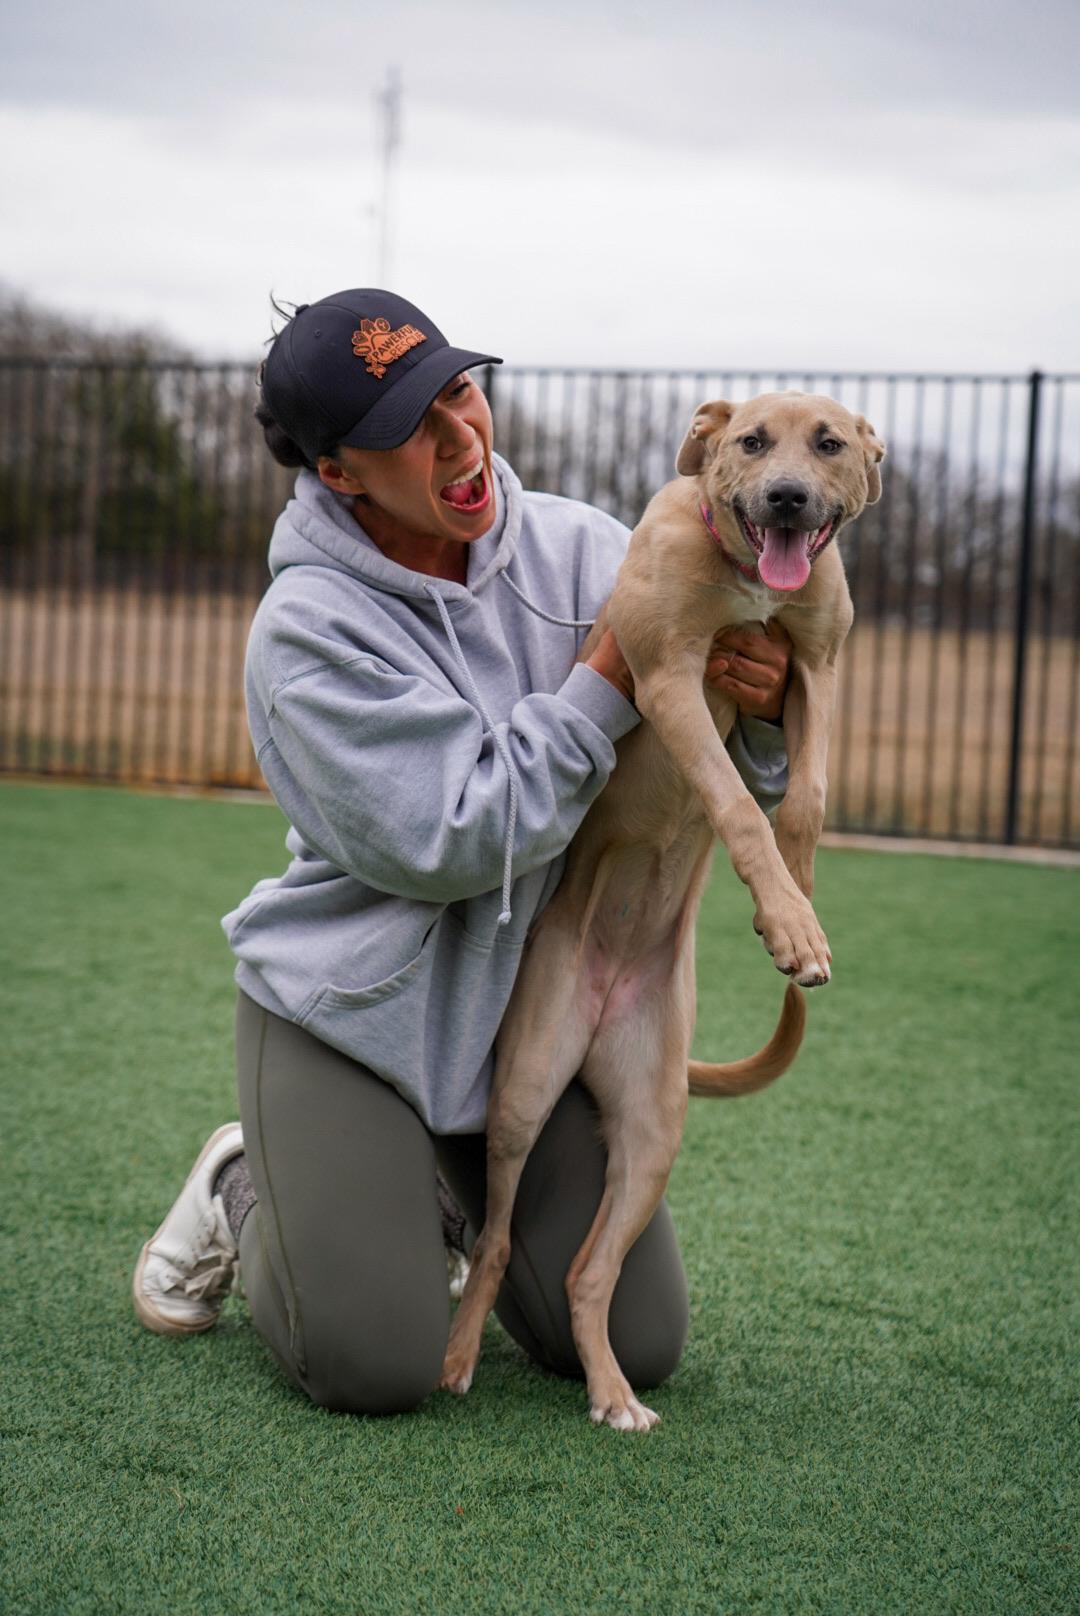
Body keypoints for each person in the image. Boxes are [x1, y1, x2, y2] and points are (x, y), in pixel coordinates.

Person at [132, 289, 793, 1416]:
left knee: (645, 1333)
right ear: (339, 471)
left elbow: (720, 774)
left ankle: (419, 1195)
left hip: (536, 1017)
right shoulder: (306, 634)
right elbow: (458, 836)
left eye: (461, 391)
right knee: (378, 1362)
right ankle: (248, 1181)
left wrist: (765, 716)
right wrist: (604, 677)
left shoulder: (595, 548)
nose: (462, 437)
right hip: (356, 1018)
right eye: (409, 426)